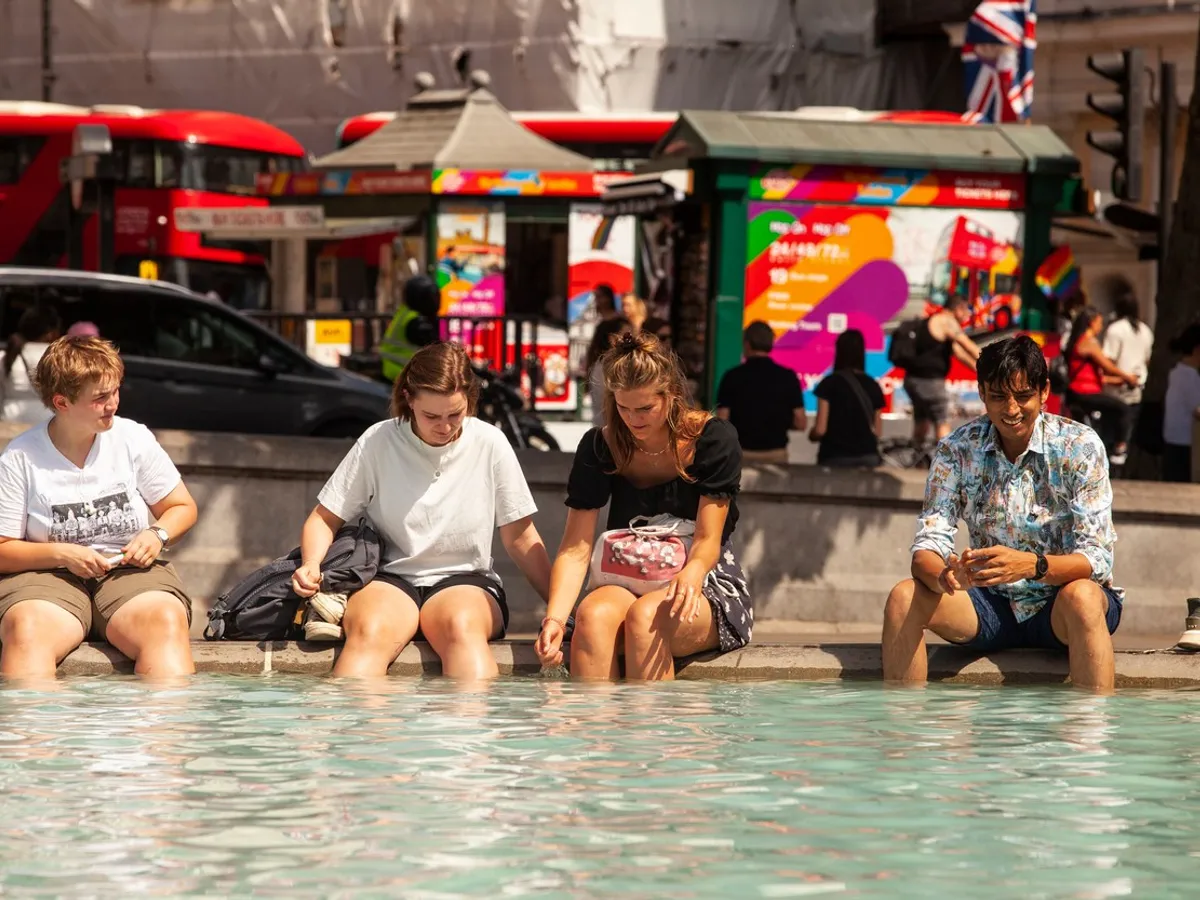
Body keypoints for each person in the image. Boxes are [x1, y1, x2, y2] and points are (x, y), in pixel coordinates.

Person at [290, 341, 552, 679]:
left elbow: (521, 537)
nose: (445, 426)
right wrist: (311, 564)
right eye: (431, 416)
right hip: (388, 578)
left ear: (469, 401)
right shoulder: (378, 440)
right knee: (370, 631)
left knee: (461, 626)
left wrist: (559, 612)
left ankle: (470, 716)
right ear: (409, 399)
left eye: (455, 415)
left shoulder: (490, 443)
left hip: (466, 581)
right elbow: (324, 518)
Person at [882, 335, 1124, 691]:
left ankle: (1092, 724)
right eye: (998, 397)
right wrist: (945, 577)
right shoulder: (955, 449)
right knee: (903, 598)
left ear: (1044, 391)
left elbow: (1098, 559)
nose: (1011, 409)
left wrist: (1032, 566)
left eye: (1023, 396)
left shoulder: (1080, 446)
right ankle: (902, 722)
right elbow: (927, 548)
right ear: (982, 393)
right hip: (988, 605)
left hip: (1061, 605)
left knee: (1085, 598)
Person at [536, 331, 752, 681]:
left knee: (646, 618)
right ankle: (590, 718)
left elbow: (707, 541)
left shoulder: (712, 439)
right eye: (623, 408)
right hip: (625, 574)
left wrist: (692, 573)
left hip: (701, 576)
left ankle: (652, 719)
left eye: (645, 408)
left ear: (672, 395)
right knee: (591, 617)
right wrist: (555, 619)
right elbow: (575, 548)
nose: (633, 419)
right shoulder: (599, 445)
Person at [0, 336, 198, 678]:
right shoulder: (20, 457)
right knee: (27, 629)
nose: (113, 404)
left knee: (166, 620)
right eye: (100, 398)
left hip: (129, 574)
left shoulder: (133, 438)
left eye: (116, 391)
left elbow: (182, 507)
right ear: (62, 402)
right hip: (45, 578)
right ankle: (34, 714)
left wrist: (157, 534)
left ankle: (165, 714)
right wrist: (62, 554)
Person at [715, 321, 806, 465]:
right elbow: (800, 422)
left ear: (747, 344)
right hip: (776, 455)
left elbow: (722, 422)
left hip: (741, 454)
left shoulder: (732, 377)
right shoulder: (788, 377)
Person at [903, 295, 981, 446]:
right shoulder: (946, 321)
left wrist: (982, 371)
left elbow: (960, 354)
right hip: (930, 382)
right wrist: (995, 363)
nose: (968, 315)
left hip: (913, 379)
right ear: (958, 309)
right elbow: (968, 346)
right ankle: (946, 457)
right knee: (942, 422)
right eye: (967, 310)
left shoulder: (934, 321)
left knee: (922, 421)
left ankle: (917, 457)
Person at [1064, 307, 1139, 461]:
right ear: (1091, 322)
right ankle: (1119, 449)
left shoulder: (1078, 341)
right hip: (1084, 392)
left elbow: (1097, 376)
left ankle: (1102, 447)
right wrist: (1127, 377)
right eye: (1099, 322)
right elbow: (1108, 367)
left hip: (1079, 391)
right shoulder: (1089, 342)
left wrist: (1119, 381)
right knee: (1124, 409)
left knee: (1107, 415)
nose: (1101, 326)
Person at [809, 329, 885, 467]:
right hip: (867, 455)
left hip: (835, 456)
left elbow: (820, 429)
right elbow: (878, 431)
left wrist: (812, 435)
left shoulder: (829, 383)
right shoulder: (873, 385)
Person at [1102, 284, 1154, 462]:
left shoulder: (1115, 329)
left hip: (1116, 388)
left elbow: (1108, 360)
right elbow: (1147, 359)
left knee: (1112, 430)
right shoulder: (1145, 330)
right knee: (1130, 427)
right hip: (1139, 384)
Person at [1, 306, 62, 424]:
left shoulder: (6, 356)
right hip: (47, 421)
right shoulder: (58, 356)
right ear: (51, 334)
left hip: (8, 419)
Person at [379, 275, 440, 382]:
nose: (436, 301)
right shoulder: (417, 323)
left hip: (393, 369)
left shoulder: (405, 313)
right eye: (431, 297)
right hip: (403, 374)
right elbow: (437, 349)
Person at [1162, 322, 1200, 484]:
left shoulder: (1178, 372)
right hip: (1184, 443)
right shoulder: (1188, 376)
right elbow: (1197, 409)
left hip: (1175, 440)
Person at [586, 316, 632, 426]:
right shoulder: (608, 366)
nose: (633, 340)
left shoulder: (603, 364)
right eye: (628, 336)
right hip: (611, 430)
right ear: (612, 339)